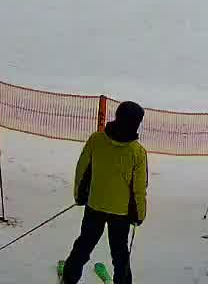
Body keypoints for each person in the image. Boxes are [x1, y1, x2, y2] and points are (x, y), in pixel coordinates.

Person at [61, 100, 148, 284]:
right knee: (120, 255)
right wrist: (139, 214)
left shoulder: (96, 139)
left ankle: (69, 279)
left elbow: (82, 169)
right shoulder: (137, 152)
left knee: (83, 246)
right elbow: (139, 189)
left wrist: (79, 195)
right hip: (121, 214)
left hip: (95, 205)